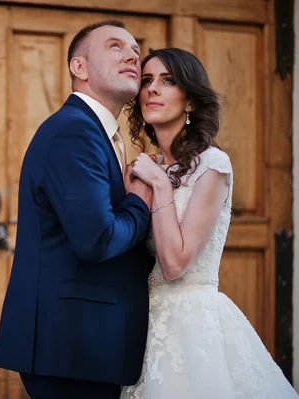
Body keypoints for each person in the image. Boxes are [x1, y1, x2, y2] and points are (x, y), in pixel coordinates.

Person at [120, 47, 298, 398]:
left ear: (190, 102)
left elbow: (174, 263)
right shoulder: (146, 167)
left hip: (193, 327)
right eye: (146, 80)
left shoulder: (212, 165)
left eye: (168, 81)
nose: (152, 89)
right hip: (143, 324)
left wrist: (157, 183)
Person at [0, 20, 155, 399]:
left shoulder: (98, 133)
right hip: (71, 345)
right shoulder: (74, 130)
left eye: (135, 50)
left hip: (86, 345)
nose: (133, 55)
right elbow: (97, 239)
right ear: (78, 68)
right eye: (115, 46)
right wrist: (139, 202)